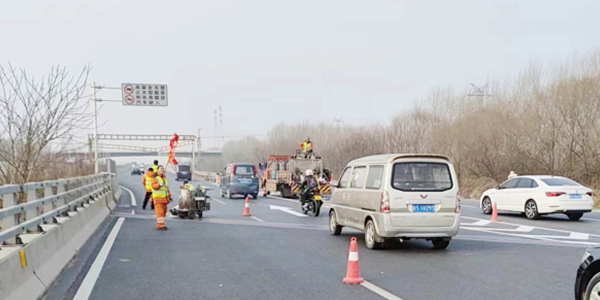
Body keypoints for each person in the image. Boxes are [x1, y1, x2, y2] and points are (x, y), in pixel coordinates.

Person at [151, 165, 172, 230]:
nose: (162, 170)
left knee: (163, 213)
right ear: (157, 170)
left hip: (164, 199)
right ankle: (160, 226)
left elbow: (166, 188)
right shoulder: (155, 177)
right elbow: (154, 186)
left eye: (163, 168)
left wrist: (169, 195)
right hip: (158, 198)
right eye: (161, 168)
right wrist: (159, 185)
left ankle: (161, 224)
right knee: (160, 213)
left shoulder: (164, 178)